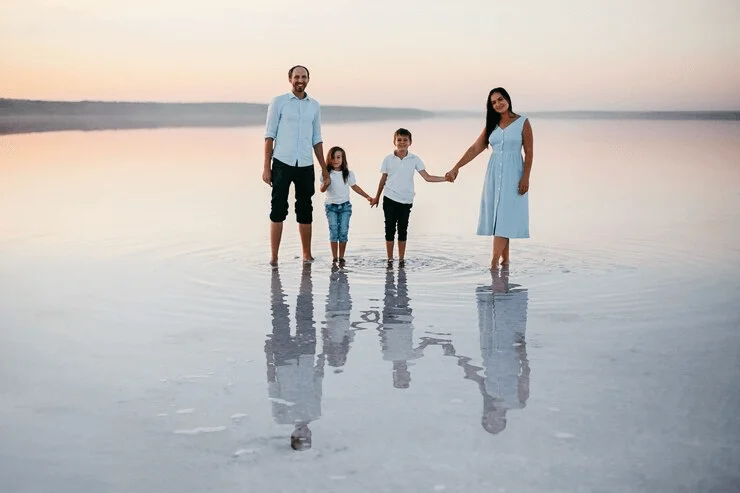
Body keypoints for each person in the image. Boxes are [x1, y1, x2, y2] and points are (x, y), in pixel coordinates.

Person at [445, 87, 533, 269]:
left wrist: (525, 178)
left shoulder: (522, 122)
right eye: (493, 102)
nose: (498, 104)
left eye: (500, 99)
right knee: (500, 218)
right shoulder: (491, 125)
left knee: (505, 217)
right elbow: (474, 149)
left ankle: (493, 263)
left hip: (513, 174)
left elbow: (529, 153)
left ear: (507, 99)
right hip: (493, 175)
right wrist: (456, 167)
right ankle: (505, 261)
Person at [263, 65, 330, 266]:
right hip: (282, 163)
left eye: (304, 77)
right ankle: (274, 257)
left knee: (305, 209)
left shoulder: (314, 105)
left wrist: (324, 169)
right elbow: (269, 136)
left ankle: (307, 255)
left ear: (308, 79)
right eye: (297, 77)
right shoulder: (279, 102)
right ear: (290, 79)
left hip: (305, 165)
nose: (300, 80)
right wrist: (267, 167)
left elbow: (316, 139)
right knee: (278, 209)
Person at [264, 264, 324, 451]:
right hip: (306, 356)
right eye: (306, 438)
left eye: (300, 438)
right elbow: (318, 382)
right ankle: (305, 276)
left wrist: (268, 356)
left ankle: (277, 279)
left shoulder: (281, 417)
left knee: (280, 314)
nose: (304, 434)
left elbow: (273, 386)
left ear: (293, 435)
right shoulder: (315, 413)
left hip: (283, 360)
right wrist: (322, 355)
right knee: (306, 312)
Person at [371, 128, 447, 266]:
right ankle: (389, 259)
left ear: (410, 142)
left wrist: (445, 179)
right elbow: (383, 179)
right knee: (389, 229)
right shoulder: (388, 159)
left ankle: (401, 259)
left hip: (406, 200)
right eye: (399, 140)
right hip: (389, 198)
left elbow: (427, 177)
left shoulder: (414, 159)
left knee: (402, 230)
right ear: (394, 141)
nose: (402, 143)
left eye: (405, 140)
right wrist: (376, 197)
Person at [319, 146, 373, 264]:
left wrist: (368, 197)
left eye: (338, 157)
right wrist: (326, 184)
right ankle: (334, 257)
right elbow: (322, 190)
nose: (335, 160)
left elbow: (355, 187)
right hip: (331, 207)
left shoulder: (347, 173)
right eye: (333, 158)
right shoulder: (326, 173)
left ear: (343, 159)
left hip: (345, 207)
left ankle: (341, 257)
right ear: (329, 159)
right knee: (333, 231)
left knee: (343, 231)